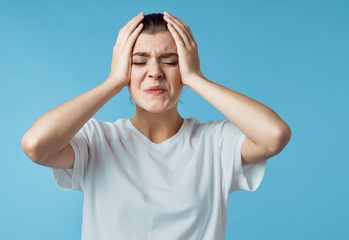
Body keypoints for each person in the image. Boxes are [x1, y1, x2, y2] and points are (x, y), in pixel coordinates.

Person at [21, 11, 291, 240]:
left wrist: (196, 78)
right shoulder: (97, 140)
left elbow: (274, 135)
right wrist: (112, 82)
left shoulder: (215, 142)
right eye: (139, 61)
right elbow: (36, 145)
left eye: (170, 61)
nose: (155, 72)